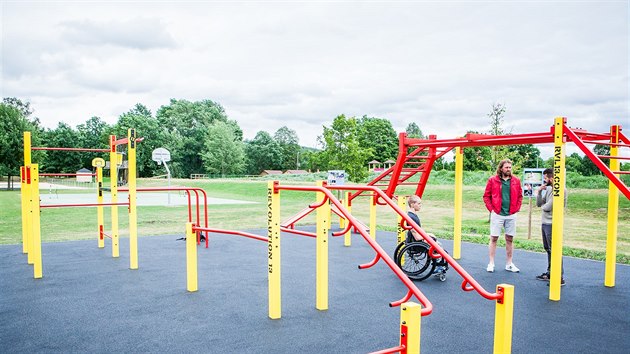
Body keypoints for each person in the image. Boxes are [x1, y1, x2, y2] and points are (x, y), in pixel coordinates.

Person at [483, 159, 523, 273]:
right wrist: (492, 210)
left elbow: (520, 196)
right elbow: (486, 196)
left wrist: (517, 208)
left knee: (510, 238)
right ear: (501, 168)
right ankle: (491, 263)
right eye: (506, 167)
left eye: (510, 167)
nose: (508, 169)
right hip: (497, 213)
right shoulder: (493, 180)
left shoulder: (516, 180)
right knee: (494, 238)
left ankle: (509, 264)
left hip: (511, 214)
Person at [535, 168, 566, 285]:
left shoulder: (561, 190)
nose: (544, 181)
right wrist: (538, 192)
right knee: (548, 249)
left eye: (546, 178)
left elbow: (547, 207)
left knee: (555, 250)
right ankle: (550, 272)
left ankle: (559, 276)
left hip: (553, 223)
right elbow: (539, 204)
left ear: (552, 178)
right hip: (545, 222)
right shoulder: (548, 190)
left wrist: (544, 205)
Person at [406, 195, 446, 273]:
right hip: (416, 243)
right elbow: (417, 237)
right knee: (438, 246)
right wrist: (428, 236)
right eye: (419, 203)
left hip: (414, 240)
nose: (420, 206)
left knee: (438, 243)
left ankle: (439, 264)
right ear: (412, 204)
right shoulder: (411, 217)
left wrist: (428, 234)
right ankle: (439, 265)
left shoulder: (412, 215)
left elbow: (417, 231)